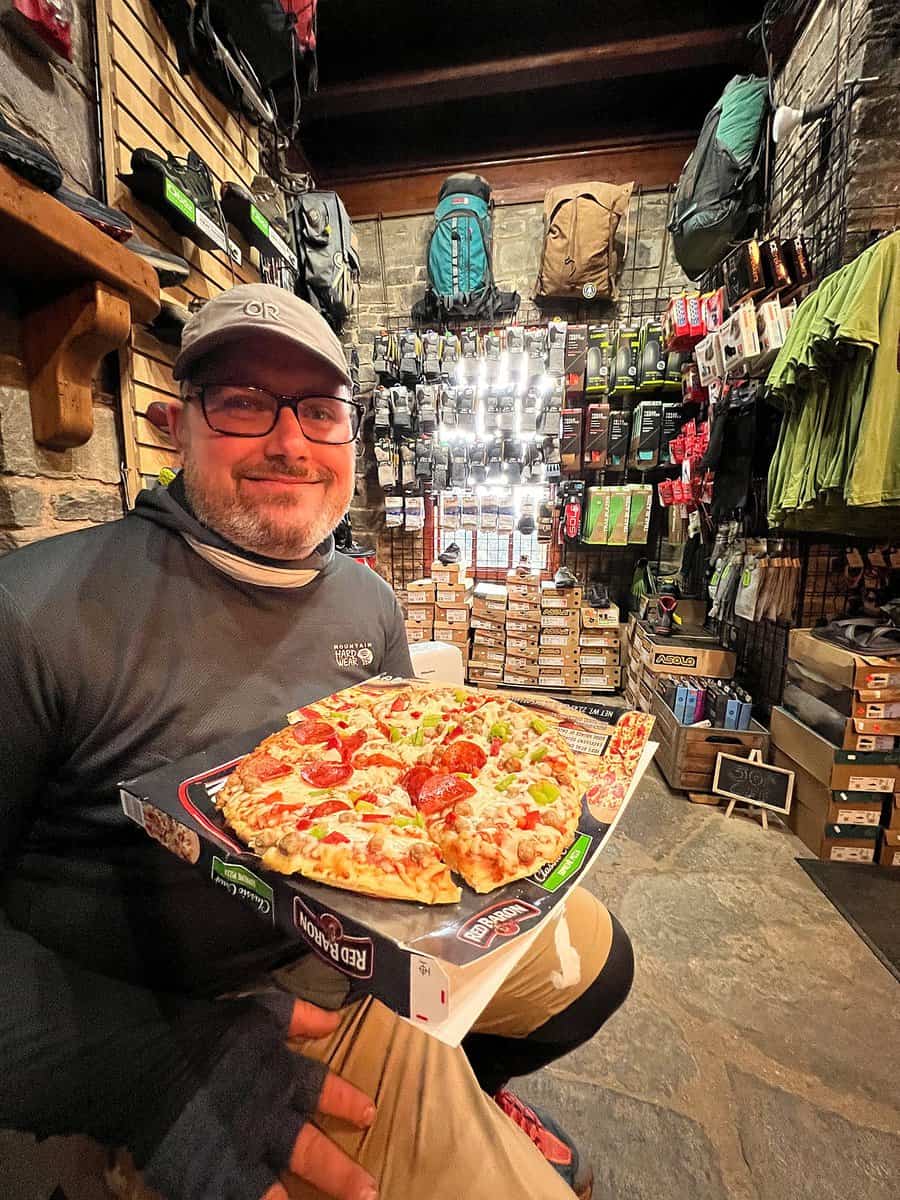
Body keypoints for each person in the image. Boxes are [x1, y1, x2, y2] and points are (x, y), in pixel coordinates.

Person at [0, 285, 634, 1200]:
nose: (290, 441)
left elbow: (413, 772)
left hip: (375, 940)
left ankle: (478, 1089)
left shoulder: (365, 598)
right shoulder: (31, 614)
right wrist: (150, 1067)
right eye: (244, 401)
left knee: (602, 964)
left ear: (350, 438)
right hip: (190, 1013)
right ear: (176, 425)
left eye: (320, 411)